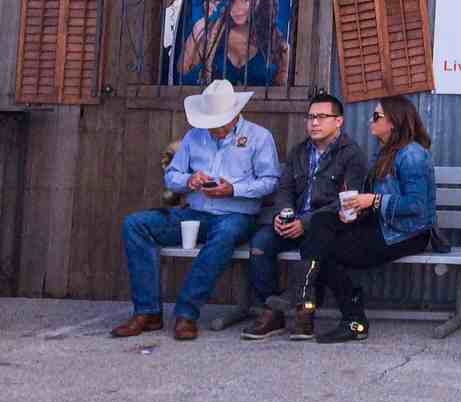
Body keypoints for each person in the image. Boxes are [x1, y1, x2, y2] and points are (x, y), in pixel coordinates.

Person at [112, 80, 281, 340]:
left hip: (236, 215)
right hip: (195, 212)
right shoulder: (194, 135)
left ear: (235, 114)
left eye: (219, 123)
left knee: (224, 235)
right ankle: (148, 312)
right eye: (210, 123)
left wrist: (232, 189)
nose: (213, 129)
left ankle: (186, 313)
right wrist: (189, 181)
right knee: (136, 224)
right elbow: (172, 177)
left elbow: (270, 182)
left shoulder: (259, 137)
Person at [293, 95, 437, 344]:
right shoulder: (384, 152)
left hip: (408, 233)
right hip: (382, 224)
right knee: (321, 223)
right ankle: (311, 293)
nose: (370, 120)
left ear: (393, 122)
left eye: (376, 116)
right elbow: (374, 198)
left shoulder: (412, 155)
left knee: (329, 250)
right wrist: (355, 210)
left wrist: (373, 201)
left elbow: (418, 207)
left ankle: (350, 317)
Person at [241, 89, 367, 340]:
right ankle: (273, 311)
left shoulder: (352, 154)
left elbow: (346, 201)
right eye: (310, 117)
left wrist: (305, 222)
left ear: (338, 121)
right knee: (261, 245)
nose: (314, 123)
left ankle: (304, 313)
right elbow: (285, 189)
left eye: (322, 117)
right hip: (294, 221)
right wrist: (283, 215)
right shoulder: (299, 151)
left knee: (316, 243)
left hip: (326, 226)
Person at [178, 0, 292, 86]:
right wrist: (200, 25)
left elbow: (283, 90)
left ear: (260, 1)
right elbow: (183, 69)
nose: (236, 8)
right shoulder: (213, 36)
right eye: (232, 0)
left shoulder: (279, 46)